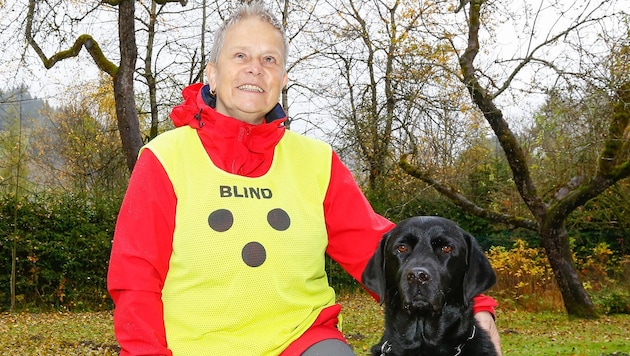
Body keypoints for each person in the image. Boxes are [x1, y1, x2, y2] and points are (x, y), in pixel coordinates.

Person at [107, 2, 502, 355]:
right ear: (211, 72)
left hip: (303, 342)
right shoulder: (165, 157)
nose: (254, 69)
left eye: (269, 60)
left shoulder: (316, 161)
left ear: (282, 79)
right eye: (240, 55)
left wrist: (478, 307)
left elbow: (377, 246)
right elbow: (135, 276)